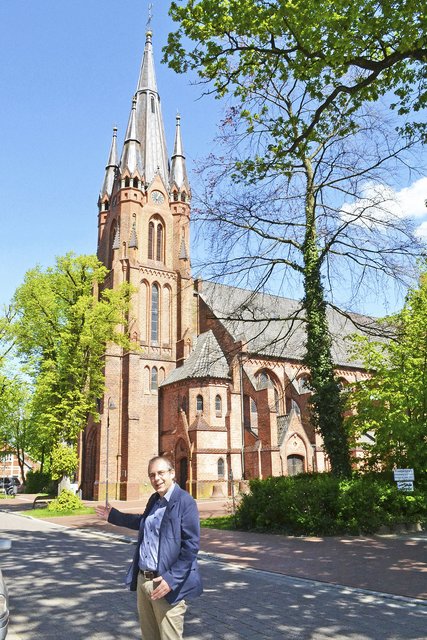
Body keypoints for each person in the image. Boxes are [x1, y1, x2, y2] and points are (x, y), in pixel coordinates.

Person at [95, 456, 203, 640]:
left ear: (172, 473)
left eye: (161, 473)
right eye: (152, 475)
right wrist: (113, 516)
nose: (156, 479)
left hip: (166, 584)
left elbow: (191, 547)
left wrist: (171, 579)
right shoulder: (155, 500)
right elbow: (143, 522)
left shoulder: (185, 502)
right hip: (144, 581)